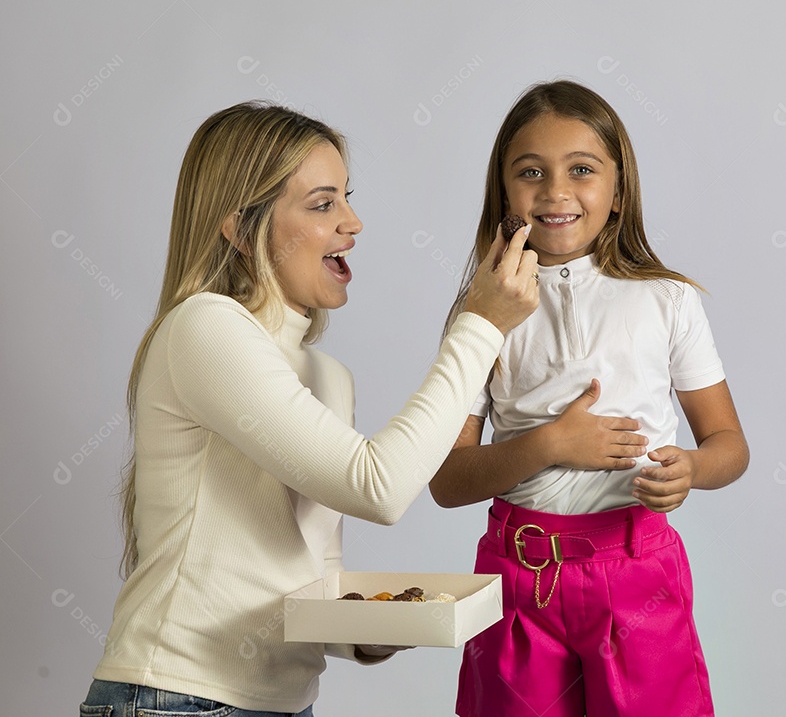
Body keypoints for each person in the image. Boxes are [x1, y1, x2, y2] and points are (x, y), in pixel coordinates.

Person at [80, 101, 539, 717]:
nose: (353, 221)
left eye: (346, 198)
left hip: (284, 702)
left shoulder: (328, 377)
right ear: (241, 228)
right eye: (323, 204)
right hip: (176, 696)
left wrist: (364, 633)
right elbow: (379, 487)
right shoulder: (205, 329)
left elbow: (313, 571)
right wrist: (481, 325)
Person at [429, 80, 750, 717]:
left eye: (581, 169)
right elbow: (446, 480)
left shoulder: (668, 300)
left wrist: (692, 469)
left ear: (618, 189)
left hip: (638, 572)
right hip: (517, 579)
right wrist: (551, 444)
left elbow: (729, 445)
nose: (556, 191)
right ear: (504, 193)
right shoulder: (482, 313)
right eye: (531, 172)